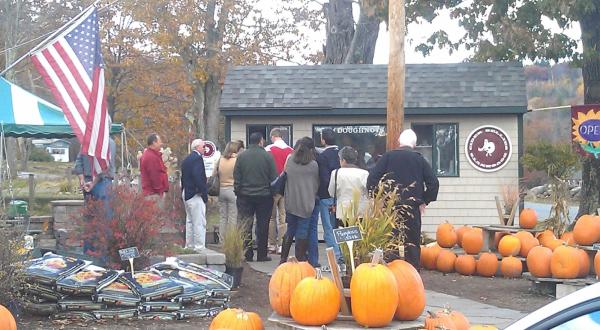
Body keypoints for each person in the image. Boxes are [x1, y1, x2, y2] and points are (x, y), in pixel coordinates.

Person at [367, 129, 439, 270]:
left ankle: (391, 273)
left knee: (390, 242)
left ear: (399, 142)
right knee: (412, 243)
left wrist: (378, 199)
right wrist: (424, 200)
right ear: (415, 144)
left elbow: (372, 179)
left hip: (390, 207)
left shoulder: (388, 157)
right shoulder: (419, 159)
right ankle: (412, 274)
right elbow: (433, 183)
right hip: (412, 208)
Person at [234, 132, 277, 262]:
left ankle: (247, 253)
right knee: (263, 225)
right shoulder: (267, 156)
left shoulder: (241, 157)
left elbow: (237, 176)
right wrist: (272, 192)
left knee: (246, 224)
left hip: (245, 196)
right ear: (261, 141)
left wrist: (238, 191)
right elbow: (273, 177)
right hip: (264, 196)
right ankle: (262, 254)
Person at [279, 137, 319, 263]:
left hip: (291, 202)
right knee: (302, 231)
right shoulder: (313, 165)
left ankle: (283, 258)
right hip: (306, 203)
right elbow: (316, 183)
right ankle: (300, 259)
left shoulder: (290, 161)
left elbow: (284, 175)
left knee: (290, 229)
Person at [313, 128, 343, 265]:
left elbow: (324, 178)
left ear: (323, 140)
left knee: (329, 228)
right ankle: (343, 252)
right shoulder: (342, 154)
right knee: (340, 226)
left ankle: (336, 256)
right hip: (342, 195)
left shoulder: (323, 157)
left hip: (326, 196)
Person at [265, 128, 294, 254]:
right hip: (286, 187)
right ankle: (282, 244)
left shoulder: (269, 150)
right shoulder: (290, 151)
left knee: (271, 218)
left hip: (272, 187)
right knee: (283, 217)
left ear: (272, 137)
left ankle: (271, 244)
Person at [181, 139, 209, 251]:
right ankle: (199, 246)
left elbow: (183, 177)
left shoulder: (187, 159)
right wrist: (203, 192)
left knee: (190, 221)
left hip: (186, 192)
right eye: (203, 146)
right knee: (199, 221)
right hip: (194, 193)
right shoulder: (197, 159)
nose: (205, 148)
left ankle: (189, 245)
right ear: (197, 147)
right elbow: (198, 177)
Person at [214, 140, 244, 241]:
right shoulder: (237, 160)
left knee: (223, 217)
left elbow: (215, 173)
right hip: (232, 189)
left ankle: (222, 240)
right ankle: (231, 241)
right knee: (232, 217)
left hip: (221, 190)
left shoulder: (220, 159)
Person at [328, 146, 369, 221]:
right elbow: (367, 193)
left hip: (342, 211)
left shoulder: (336, 173)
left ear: (343, 160)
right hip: (360, 211)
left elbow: (331, 192)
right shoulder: (364, 173)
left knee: (342, 231)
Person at [140, 134, 169, 198]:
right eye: (159, 141)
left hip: (153, 193)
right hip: (153, 194)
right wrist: (160, 190)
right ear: (154, 143)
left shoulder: (152, 155)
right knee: (157, 208)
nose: (161, 143)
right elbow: (154, 175)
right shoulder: (151, 157)